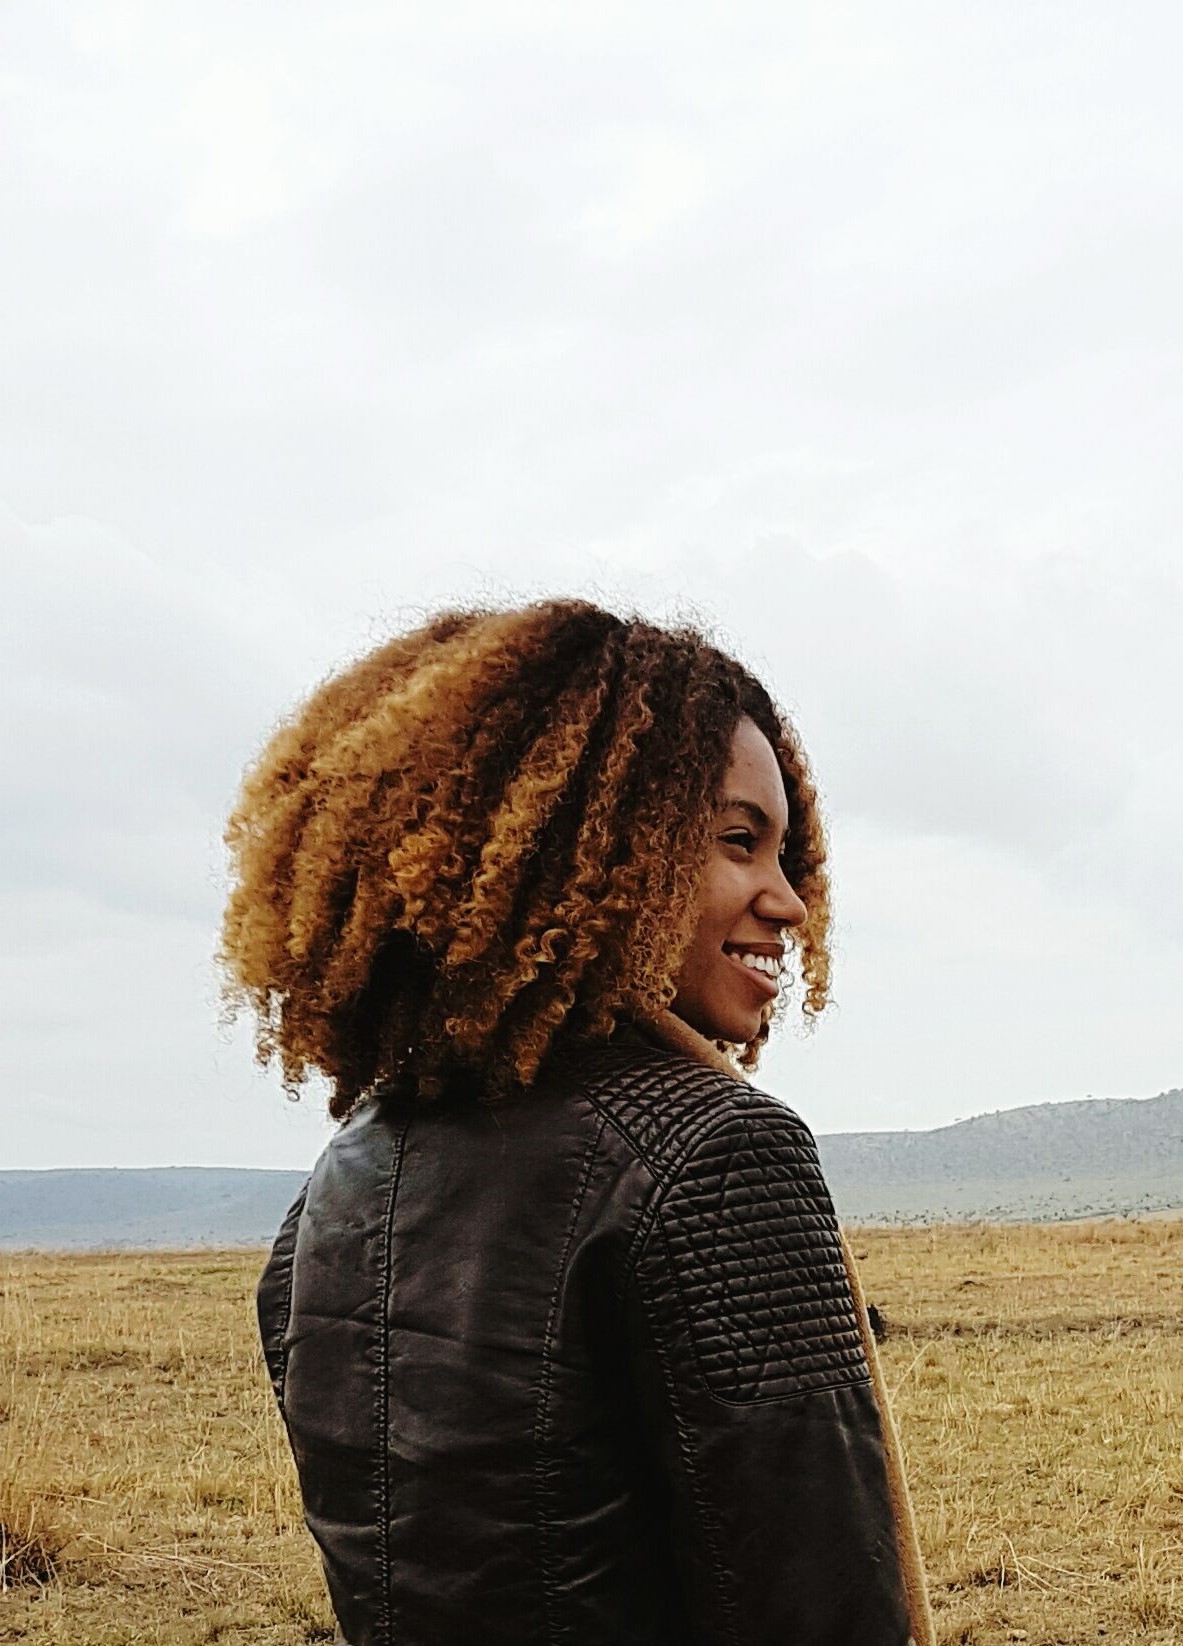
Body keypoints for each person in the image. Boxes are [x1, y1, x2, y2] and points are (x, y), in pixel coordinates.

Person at [226, 600, 931, 1645]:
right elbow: (827, 1610)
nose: (789, 902)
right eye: (741, 842)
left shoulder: (340, 1183)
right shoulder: (717, 1151)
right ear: (593, 845)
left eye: (789, 856)